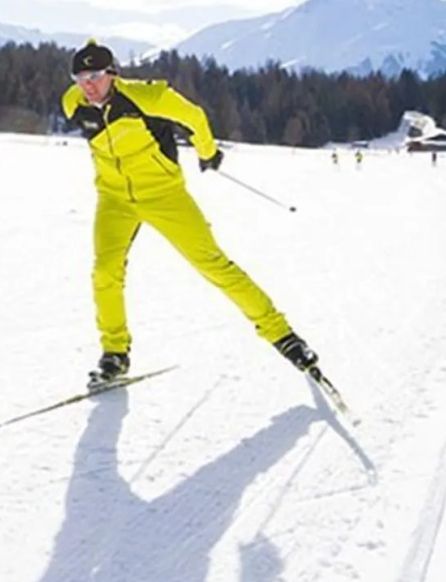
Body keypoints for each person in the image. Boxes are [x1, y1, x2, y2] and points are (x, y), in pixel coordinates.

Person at [60, 41, 320, 386]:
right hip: (114, 199)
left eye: (94, 76)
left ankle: (283, 335)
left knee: (212, 263)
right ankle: (114, 354)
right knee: (105, 272)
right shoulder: (73, 104)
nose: (87, 85)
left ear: (113, 74)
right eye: (80, 77)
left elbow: (194, 116)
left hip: (165, 196)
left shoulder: (148, 98)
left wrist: (207, 151)